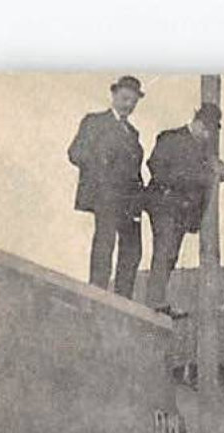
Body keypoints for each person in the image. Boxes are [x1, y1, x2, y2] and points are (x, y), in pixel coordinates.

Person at [142, 102, 224, 312]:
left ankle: (158, 299)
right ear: (197, 123)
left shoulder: (204, 150)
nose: (207, 136)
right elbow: (156, 166)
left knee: (171, 253)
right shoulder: (170, 138)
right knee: (164, 249)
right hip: (164, 204)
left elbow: (216, 174)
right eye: (206, 130)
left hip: (182, 211)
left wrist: (219, 170)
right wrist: (200, 175)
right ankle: (154, 300)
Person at [67, 76, 145, 298]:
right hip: (106, 194)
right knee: (105, 241)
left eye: (133, 101)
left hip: (129, 199)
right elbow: (75, 152)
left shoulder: (133, 133)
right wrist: (101, 169)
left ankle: (123, 298)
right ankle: (98, 292)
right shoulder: (95, 122)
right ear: (114, 95)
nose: (129, 104)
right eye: (125, 98)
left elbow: (134, 169)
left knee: (133, 248)